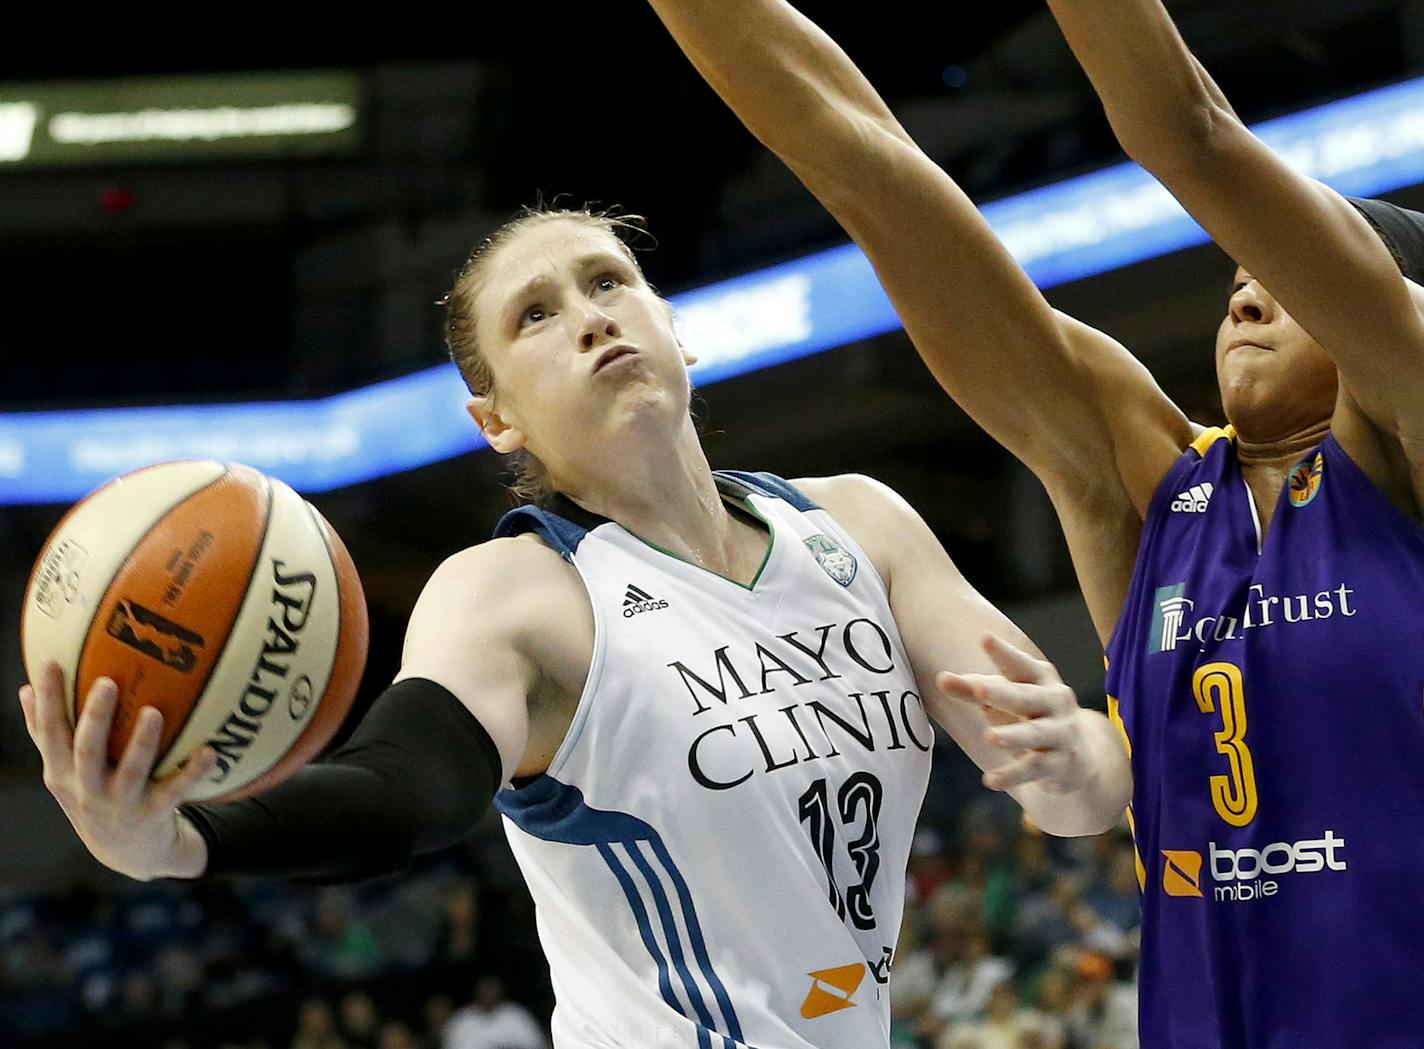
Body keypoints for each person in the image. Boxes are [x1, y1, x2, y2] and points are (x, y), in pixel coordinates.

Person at [17, 206, 1130, 1049]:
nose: (588, 312)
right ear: (494, 416)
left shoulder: (857, 522)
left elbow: (1074, 797)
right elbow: (407, 784)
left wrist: (1073, 752)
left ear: (671, 327)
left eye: (609, 280)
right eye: (535, 314)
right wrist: (184, 840)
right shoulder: (516, 593)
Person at [642, 0, 1424, 1045]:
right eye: (1237, 284)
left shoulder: (1401, 451)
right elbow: (866, 170)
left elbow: (1186, 131)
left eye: (1281, 284)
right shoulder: (1153, 487)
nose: (1242, 299)